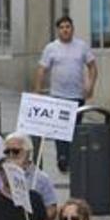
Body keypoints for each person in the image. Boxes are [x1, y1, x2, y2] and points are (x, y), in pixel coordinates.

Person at [32, 16, 98, 173]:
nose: (65, 30)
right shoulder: (51, 48)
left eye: (68, 26)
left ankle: (73, 158)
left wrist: (90, 85)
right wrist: (37, 90)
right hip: (58, 96)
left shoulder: (81, 46)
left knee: (74, 129)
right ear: (58, 30)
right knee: (60, 129)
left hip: (76, 96)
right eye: (62, 27)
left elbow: (92, 67)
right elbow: (42, 70)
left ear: (72, 29)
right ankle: (62, 157)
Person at [0, 132, 59, 220]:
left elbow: (52, 209)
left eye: (15, 151)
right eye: (7, 152)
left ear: (27, 152)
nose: (11, 155)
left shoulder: (41, 178)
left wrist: (36, 215)